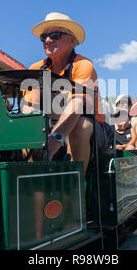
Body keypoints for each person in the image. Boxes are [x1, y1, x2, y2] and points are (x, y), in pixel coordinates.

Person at [23, 12, 113, 175]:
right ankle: (33, 182)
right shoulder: (35, 69)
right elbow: (29, 107)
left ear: (72, 40)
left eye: (55, 35)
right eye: (44, 37)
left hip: (95, 127)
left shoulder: (83, 65)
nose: (48, 40)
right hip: (51, 126)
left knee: (80, 126)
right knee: (25, 128)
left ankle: (76, 187)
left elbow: (77, 104)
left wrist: (53, 141)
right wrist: (33, 133)